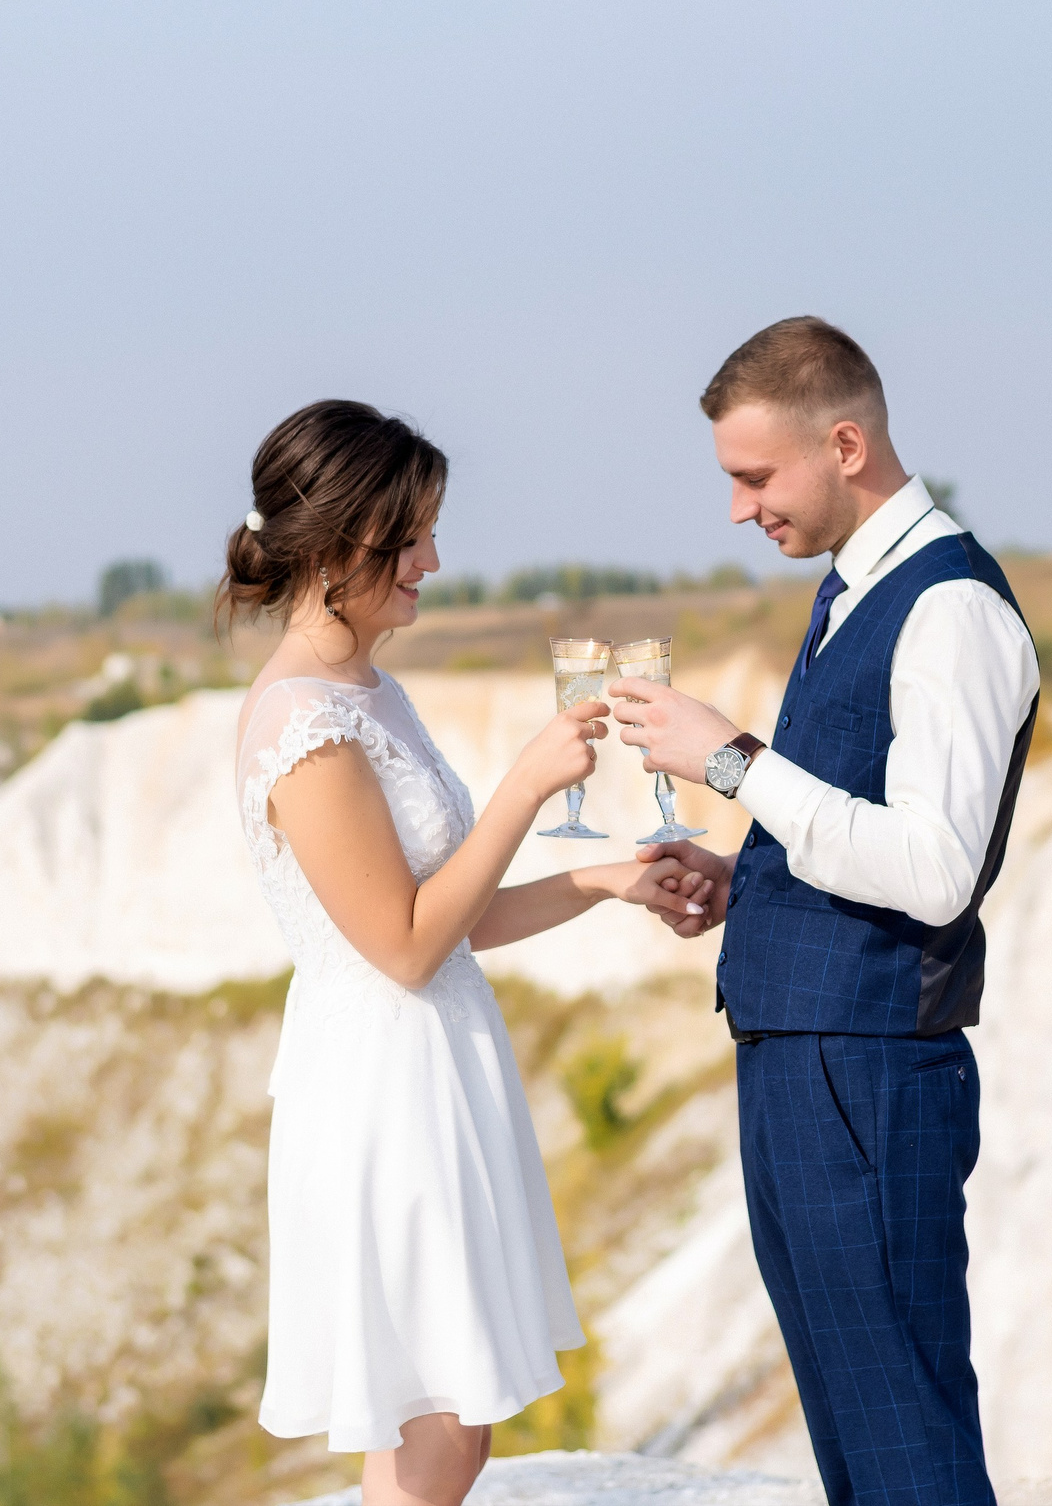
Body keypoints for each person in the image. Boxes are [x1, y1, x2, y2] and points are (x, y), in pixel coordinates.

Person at [225, 399, 713, 1506]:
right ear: (341, 540)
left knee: (455, 1417)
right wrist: (528, 783)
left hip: (434, 1058)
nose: (433, 561)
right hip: (379, 1078)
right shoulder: (302, 721)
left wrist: (606, 878)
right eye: (409, 536)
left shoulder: (368, 693)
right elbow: (399, 943)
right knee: (436, 1420)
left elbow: (457, 914)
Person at [613, 318, 1040, 1506]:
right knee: (859, 1437)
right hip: (809, 1061)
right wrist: (740, 872)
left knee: (901, 1432)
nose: (739, 508)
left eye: (754, 476)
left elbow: (936, 866)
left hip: (869, 1069)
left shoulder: (948, 605)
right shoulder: (855, 587)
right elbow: (855, 821)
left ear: (843, 442)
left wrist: (735, 760)